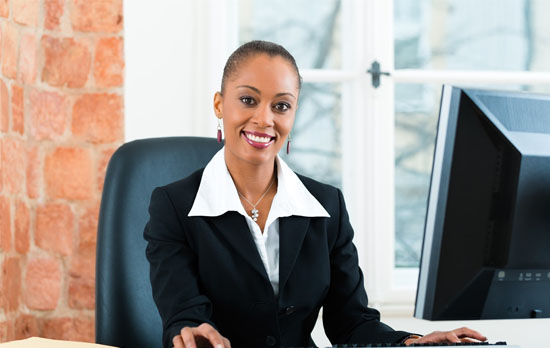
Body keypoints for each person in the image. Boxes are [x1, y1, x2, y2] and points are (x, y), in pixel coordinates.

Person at [144, 40, 486, 348]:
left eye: (281, 106)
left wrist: (412, 342)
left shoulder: (326, 206)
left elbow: (351, 325)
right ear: (219, 104)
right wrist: (193, 332)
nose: (264, 119)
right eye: (248, 100)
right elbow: (183, 312)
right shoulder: (174, 206)